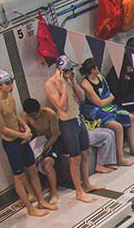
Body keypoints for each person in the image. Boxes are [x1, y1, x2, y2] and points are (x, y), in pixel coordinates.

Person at [0, 69, 56, 217]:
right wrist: (23, 134)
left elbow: (14, 115)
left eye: (11, 82)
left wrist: (25, 127)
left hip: (21, 138)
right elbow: (3, 129)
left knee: (32, 170)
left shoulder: (10, 96)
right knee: (19, 177)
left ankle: (41, 200)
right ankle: (30, 209)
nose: (11, 86)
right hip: (11, 144)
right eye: (7, 83)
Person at [43, 55, 100, 203]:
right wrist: (63, 86)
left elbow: (81, 97)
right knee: (75, 158)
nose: (71, 73)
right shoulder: (50, 84)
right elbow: (62, 106)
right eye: (69, 71)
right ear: (62, 71)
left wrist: (73, 82)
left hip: (78, 119)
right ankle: (79, 191)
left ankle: (86, 184)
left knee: (86, 152)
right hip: (67, 123)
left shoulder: (69, 80)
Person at [78, 57, 134, 166]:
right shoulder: (85, 85)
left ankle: (133, 149)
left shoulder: (100, 77)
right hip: (94, 112)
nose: (101, 67)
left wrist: (108, 99)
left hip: (108, 107)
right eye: (99, 66)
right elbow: (99, 103)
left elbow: (107, 96)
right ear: (93, 69)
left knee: (131, 118)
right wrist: (109, 99)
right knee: (117, 127)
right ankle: (120, 158)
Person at [20, 98, 67, 205]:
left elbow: (55, 135)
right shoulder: (26, 116)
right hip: (42, 139)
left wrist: (42, 153)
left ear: (39, 110)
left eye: (34, 115)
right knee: (29, 164)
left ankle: (54, 192)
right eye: (30, 116)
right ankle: (34, 192)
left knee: (47, 163)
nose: (33, 118)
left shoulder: (49, 114)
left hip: (55, 141)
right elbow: (25, 130)